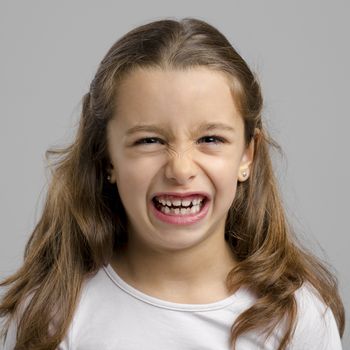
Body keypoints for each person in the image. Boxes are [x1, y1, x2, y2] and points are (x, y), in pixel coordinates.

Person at [0, 17, 345, 350]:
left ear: (247, 156)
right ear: (107, 158)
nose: (180, 169)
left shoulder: (296, 320)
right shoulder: (53, 318)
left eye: (210, 138)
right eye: (149, 141)